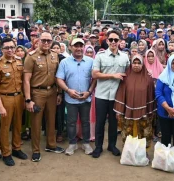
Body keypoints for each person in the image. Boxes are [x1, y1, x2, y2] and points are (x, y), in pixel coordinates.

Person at [23, 32, 64, 162]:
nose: (46, 43)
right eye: (44, 40)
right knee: (36, 123)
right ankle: (36, 150)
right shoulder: (31, 57)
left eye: (49, 41)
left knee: (51, 120)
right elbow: (26, 80)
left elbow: (57, 76)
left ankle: (51, 145)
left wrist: (59, 93)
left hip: (52, 92)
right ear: (38, 41)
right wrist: (28, 99)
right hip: (37, 93)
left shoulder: (55, 55)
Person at [92, 30, 130, 158]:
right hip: (101, 95)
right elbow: (95, 74)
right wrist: (113, 75)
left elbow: (129, 75)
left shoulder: (125, 57)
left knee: (114, 122)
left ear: (119, 41)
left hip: (116, 96)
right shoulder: (100, 56)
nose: (113, 42)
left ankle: (112, 145)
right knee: (100, 122)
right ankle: (98, 147)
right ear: (107, 41)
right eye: (111, 40)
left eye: (116, 40)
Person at [56, 38, 96, 155]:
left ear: (83, 47)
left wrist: (89, 91)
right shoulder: (65, 62)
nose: (78, 48)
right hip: (71, 98)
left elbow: (94, 79)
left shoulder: (91, 61)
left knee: (85, 121)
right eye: (75, 46)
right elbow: (59, 79)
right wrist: (68, 90)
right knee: (71, 122)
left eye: (80, 46)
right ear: (70, 47)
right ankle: (72, 144)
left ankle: (86, 143)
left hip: (86, 97)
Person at [0, 38, 28, 166]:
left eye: (12, 47)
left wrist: (25, 98)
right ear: (1, 49)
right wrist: (0, 106)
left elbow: (23, 82)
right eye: (7, 48)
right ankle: (6, 153)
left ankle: (16, 148)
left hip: (19, 97)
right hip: (5, 98)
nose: (10, 50)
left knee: (18, 125)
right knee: (5, 127)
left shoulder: (19, 62)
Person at [114, 54, 156, 148]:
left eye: (138, 63)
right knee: (128, 131)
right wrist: (120, 111)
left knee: (144, 132)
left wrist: (150, 112)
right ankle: (128, 152)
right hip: (128, 113)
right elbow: (121, 94)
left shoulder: (148, 79)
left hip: (144, 113)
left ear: (142, 64)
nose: (136, 65)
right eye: (134, 63)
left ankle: (143, 153)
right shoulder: (125, 78)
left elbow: (151, 96)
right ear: (131, 64)